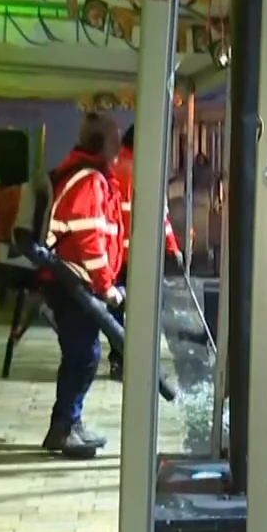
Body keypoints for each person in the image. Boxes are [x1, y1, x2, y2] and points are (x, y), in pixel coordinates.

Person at [38, 114, 126, 459]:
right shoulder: (89, 180)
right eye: (114, 138)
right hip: (73, 284)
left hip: (70, 282)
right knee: (83, 356)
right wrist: (106, 287)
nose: (118, 145)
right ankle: (66, 427)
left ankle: (65, 425)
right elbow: (90, 240)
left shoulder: (87, 175)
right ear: (99, 143)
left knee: (80, 355)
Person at [108, 125, 183, 378]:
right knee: (144, 309)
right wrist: (173, 249)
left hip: (112, 256)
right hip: (139, 255)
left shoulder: (109, 168)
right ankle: (138, 358)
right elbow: (160, 216)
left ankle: (117, 358)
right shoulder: (145, 171)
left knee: (115, 309)